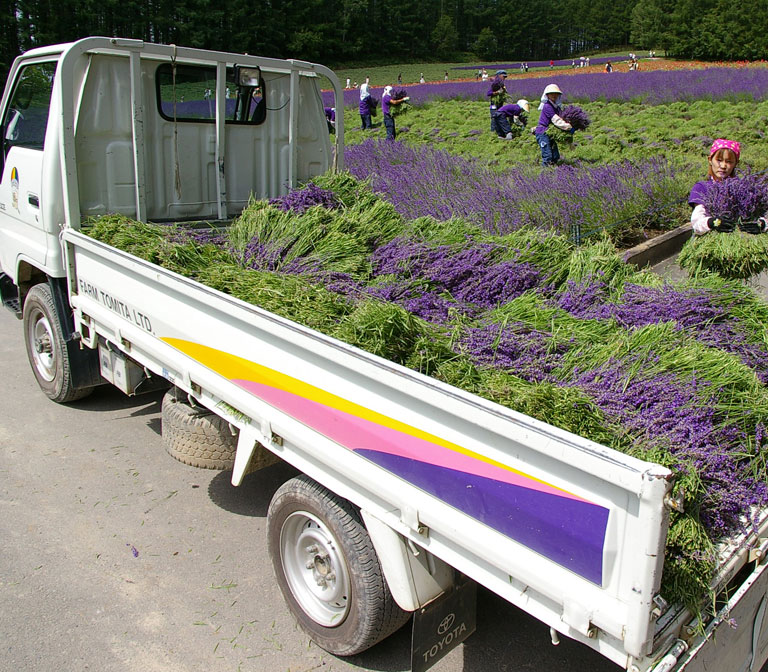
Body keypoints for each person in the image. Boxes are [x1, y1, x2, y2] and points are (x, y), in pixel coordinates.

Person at [688, 139, 768, 234]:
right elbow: (697, 221)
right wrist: (711, 222)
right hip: (713, 240)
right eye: (719, 160)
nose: (723, 166)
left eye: (729, 162)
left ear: (736, 163)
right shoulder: (702, 187)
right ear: (710, 160)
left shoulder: (744, 187)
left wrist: (761, 224)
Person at [533, 83, 573, 167]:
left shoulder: (557, 107)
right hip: (542, 132)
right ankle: (545, 173)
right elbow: (556, 120)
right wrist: (567, 127)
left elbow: (561, 118)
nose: (554, 95)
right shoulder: (547, 106)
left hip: (550, 133)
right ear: (547, 95)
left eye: (556, 94)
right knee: (547, 155)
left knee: (555, 156)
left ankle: (554, 170)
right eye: (552, 94)